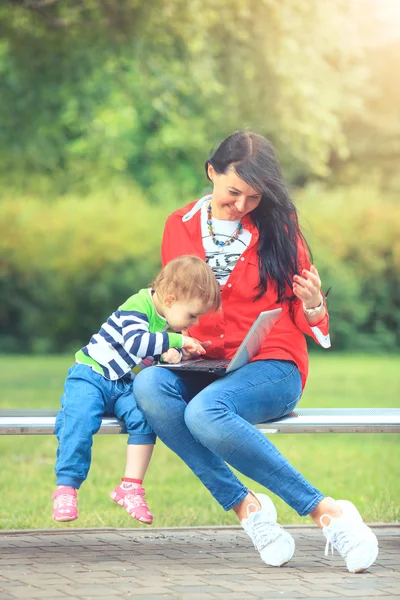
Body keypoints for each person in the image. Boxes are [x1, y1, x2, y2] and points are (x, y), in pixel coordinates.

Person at [133, 131, 379, 573]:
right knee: (148, 384)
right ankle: (247, 506)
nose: (242, 205)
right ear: (212, 172)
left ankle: (326, 511)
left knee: (205, 412)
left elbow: (309, 319)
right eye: (233, 192)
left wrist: (314, 304)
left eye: (252, 196)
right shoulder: (179, 225)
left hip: (272, 364)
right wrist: (166, 345)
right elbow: (169, 303)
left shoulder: (279, 227)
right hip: (203, 361)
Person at [52, 255, 221, 524]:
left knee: (145, 419)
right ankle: (67, 487)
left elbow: (145, 356)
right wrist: (177, 339)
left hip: (120, 383)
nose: (194, 324)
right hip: (91, 376)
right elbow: (136, 343)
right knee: (79, 419)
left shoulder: (161, 318)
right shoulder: (137, 306)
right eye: (192, 315)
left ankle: (130, 487)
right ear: (170, 299)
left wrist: (171, 355)